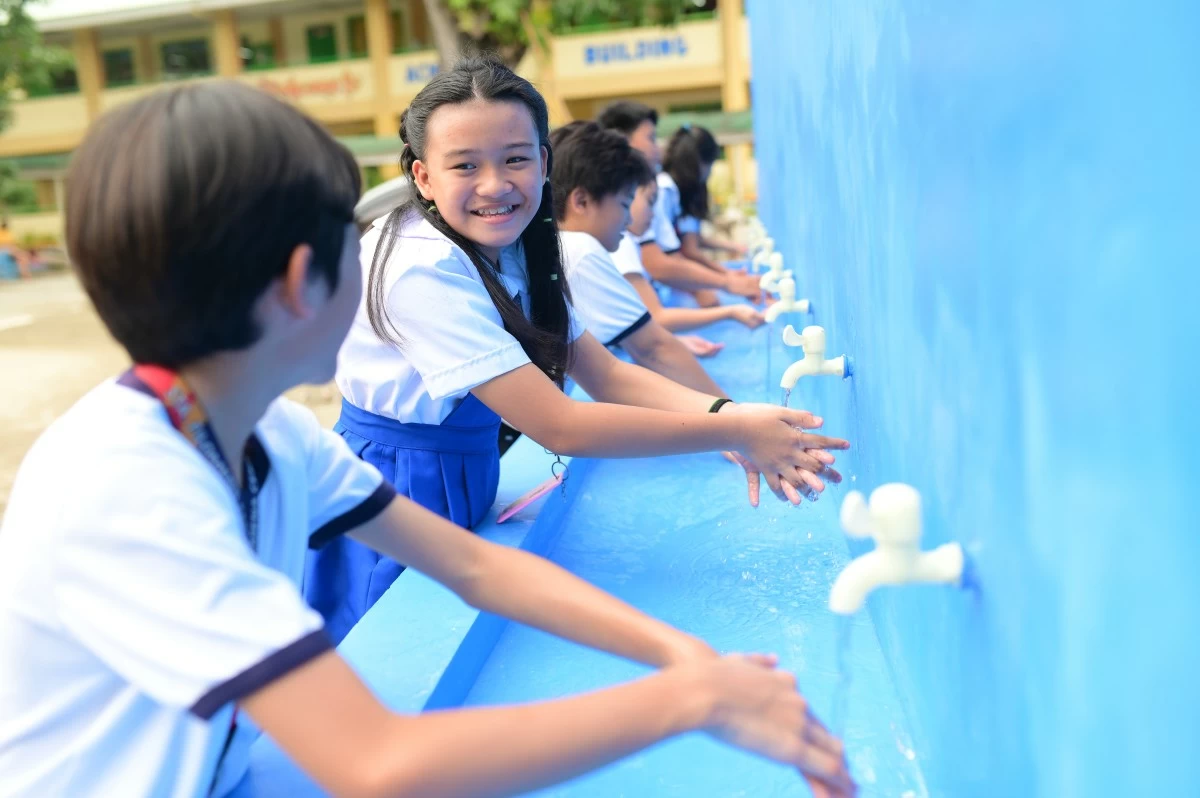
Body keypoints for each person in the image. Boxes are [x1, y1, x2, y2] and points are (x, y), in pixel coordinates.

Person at [0, 80, 855, 798]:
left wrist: (683, 655)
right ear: (306, 278)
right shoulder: (128, 486)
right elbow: (375, 761)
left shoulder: (266, 430)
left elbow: (477, 566)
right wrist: (696, 703)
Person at [310, 56, 848, 645]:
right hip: (397, 488)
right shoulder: (422, 269)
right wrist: (737, 431)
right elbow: (561, 426)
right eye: (465, 165)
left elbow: (609, 375)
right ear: (423, 178)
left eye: (515, 158)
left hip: (457, 472)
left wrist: (728, 416)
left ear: (544, 163)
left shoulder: (516, 244)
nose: (496, 184)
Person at [548, 120, 731, 394]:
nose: (629, 219)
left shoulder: (554, 244)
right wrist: (737, 417)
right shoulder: (580, 250)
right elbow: (653, 348)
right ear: (581, 201)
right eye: (624, 204)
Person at [597, 100, 760, 306]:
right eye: (651, 138)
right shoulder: (660, 191)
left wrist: (727, 280)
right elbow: (660, 264)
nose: (658, 148)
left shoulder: (650, 194)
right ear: (623, 142)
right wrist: (726, 282)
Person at [614, 166, 765, 337]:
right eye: (650, 201)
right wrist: (730, 311)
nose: (654, 215)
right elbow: (657, 317)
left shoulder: (628, 243)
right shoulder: (623, 245)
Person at [662, 124, 746, 272]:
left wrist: (734, 247)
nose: (710, 173)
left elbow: (691, 238)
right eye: (711, 164)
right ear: (700, 162)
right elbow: (689, 250)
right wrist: (727, 276)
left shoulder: (675, 188)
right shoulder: (667, 190)